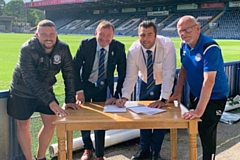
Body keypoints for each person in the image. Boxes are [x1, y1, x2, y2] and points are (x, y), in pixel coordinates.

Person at [7, 19, 80, 160]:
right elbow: (30, 79)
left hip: (46, 88)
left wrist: (70, 99)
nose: (48, 37)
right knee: (23, 125)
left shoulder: (63, 48)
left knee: (51, 123)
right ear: (37, 35)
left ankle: (40, 157)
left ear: (56, 34)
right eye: (44, 34)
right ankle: (28, 158)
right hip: (22, 90)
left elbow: (69, 74)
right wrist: (51, 102)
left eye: (51, 34)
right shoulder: (27, 49)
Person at [168, 15, 229, 160]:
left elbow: (209, 81)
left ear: (197, 28)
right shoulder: (184, 45)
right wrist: (177, 92)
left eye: (187, 30)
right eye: (180, 31)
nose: (183, 34)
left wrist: (199, 110)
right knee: (194, 128)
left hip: (215, 97)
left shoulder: (210, 47)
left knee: (206, 131)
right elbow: (184, 68)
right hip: (196, 94)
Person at [116, 20, 176, 160]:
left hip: (163, 83)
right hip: (144, 81)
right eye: (142, 35)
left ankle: (156, 152)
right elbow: (130, 76)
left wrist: (163, 98)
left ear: (155, 35)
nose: (146, 39)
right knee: (143, 117)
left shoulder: (167, 45)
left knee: (161, 118)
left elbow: (169, 73)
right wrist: (124, 97)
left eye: (149, 35)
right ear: (138, 35)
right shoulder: (134, 49)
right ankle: (144, 150)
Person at [73, 20, 126, 160]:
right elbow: (74, 68)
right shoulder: (86, 44)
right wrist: (78, 91)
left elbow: (123, 73)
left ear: (113, 35)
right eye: (101, 34)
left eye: (109, 35)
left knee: (101, 120)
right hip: (86, 86)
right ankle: (87, 148)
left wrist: (117, 95)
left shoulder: (119, 47)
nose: (104, 38)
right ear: (95, 33)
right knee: (84, 119)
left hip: (104, 88)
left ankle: (100, 154)